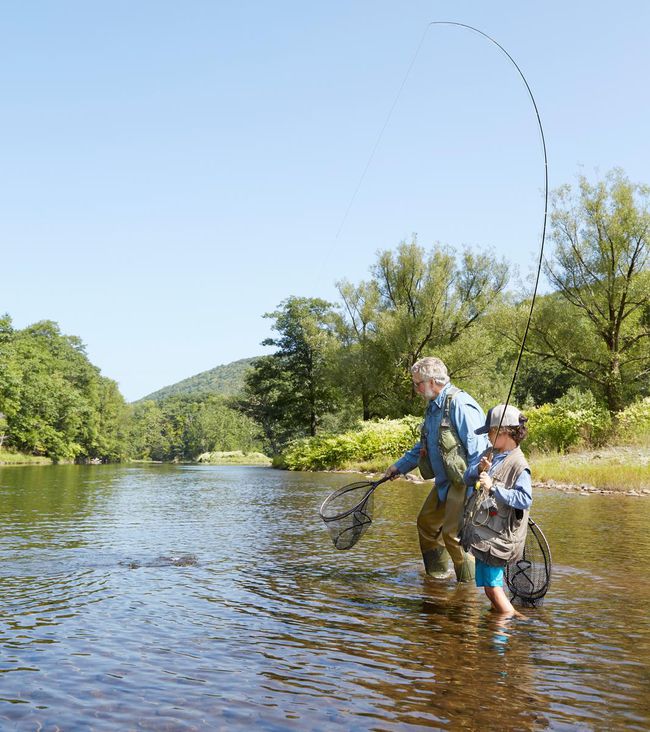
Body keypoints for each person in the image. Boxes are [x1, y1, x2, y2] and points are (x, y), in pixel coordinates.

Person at [384, 357, 489, 582]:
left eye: (418, 384)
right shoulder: (432, 408)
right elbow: (423, 447)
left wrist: (475, 491)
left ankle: (469, 591)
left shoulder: (460, 404)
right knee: (427, 523)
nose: (416, 389)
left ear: (432, 381)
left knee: (454, 536)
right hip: (444, 482)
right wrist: (398, 467)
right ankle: (438, 577)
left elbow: (479, 450)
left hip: (464, 482)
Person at [460, 403, 531, 615]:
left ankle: (511, 625)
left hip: (499, 539)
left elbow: (525, 499)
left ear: (504, 432)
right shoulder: (491, 453)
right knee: (488, 587)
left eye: (490, 432)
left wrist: (494, 488)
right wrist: (479, 469)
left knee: (493, 586)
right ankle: (495, 632)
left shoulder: (520, 465)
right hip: (484, 537)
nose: (488, 437)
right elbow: (466, 478)